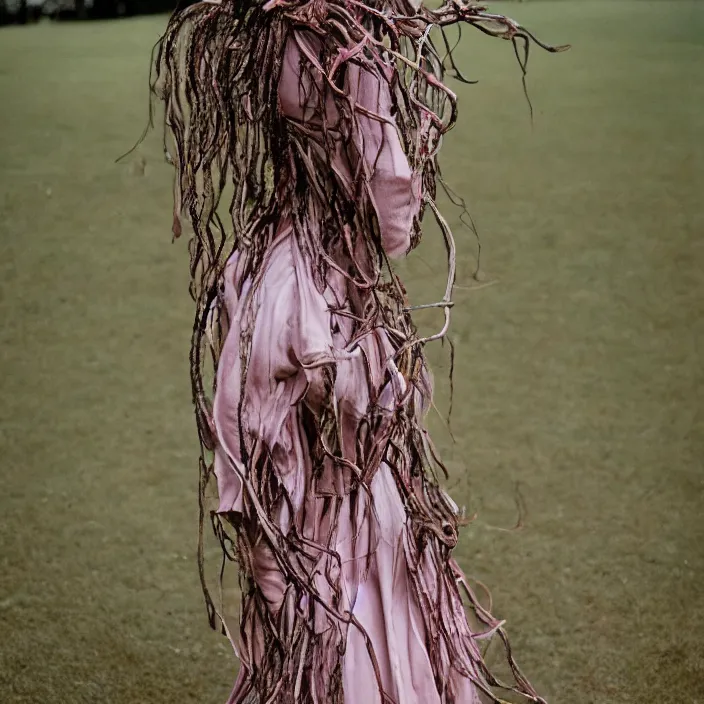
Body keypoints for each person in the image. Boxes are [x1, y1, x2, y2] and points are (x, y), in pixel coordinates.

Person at [153, 1, 565, 701]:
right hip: (330, 287)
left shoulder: (281, 38)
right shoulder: (349, 48)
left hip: (292, 259)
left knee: (316, 465)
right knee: (354, 465)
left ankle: (310, 620)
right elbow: (390, 190)